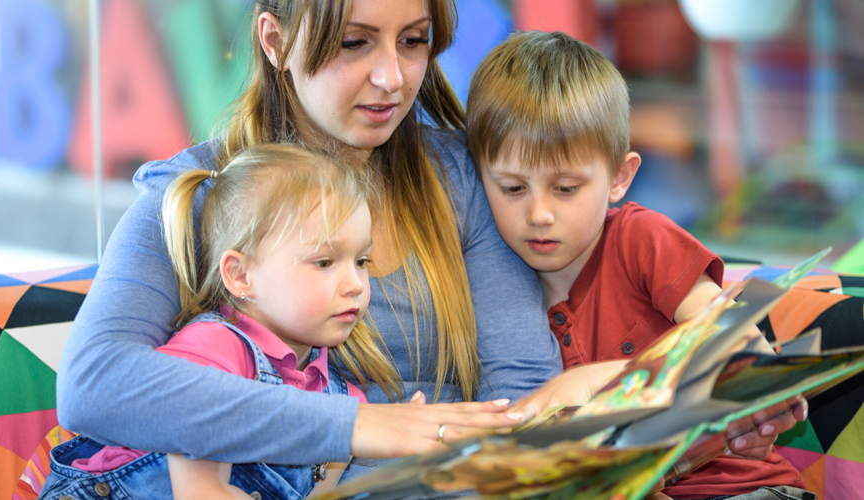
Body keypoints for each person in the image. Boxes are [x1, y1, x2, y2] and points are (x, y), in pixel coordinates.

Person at [56, 0, 559, 481]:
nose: (393, 78)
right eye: (353, 43)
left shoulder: (460, 178)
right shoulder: (198, 194)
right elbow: (93, 384)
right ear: (275, 41)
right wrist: (355, 427)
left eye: (413, 41)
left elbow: (522, 394)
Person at [465, 31, 812, 500]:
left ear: (619, 178)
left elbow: (738, 344)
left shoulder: (638, 238)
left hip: (747, 490)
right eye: (511, 188)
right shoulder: (494, 285)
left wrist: (593, 379)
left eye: (566, 188)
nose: (539, 214)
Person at [41, 145, 392, 500]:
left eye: (362, 261)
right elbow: (200, 493)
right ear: (240, 275)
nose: (355, 285)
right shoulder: (215, 349)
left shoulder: (345, 399)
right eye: (324, 263)